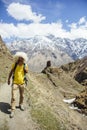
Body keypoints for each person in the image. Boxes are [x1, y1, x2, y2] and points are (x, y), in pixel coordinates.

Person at [8, 52, 28, 118]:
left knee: (22, 96)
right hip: (15, 83)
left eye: (22, 58)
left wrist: (24, 67)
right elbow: (11, 72)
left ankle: (20, 104)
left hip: (22, 83)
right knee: (13, 97)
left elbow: (27, 71)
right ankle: (12, 110)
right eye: (20, 57)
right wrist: (8, 79)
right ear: (18, 58)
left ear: (23, 59)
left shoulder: (25, 65)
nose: (21, 59)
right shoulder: (15, 64)